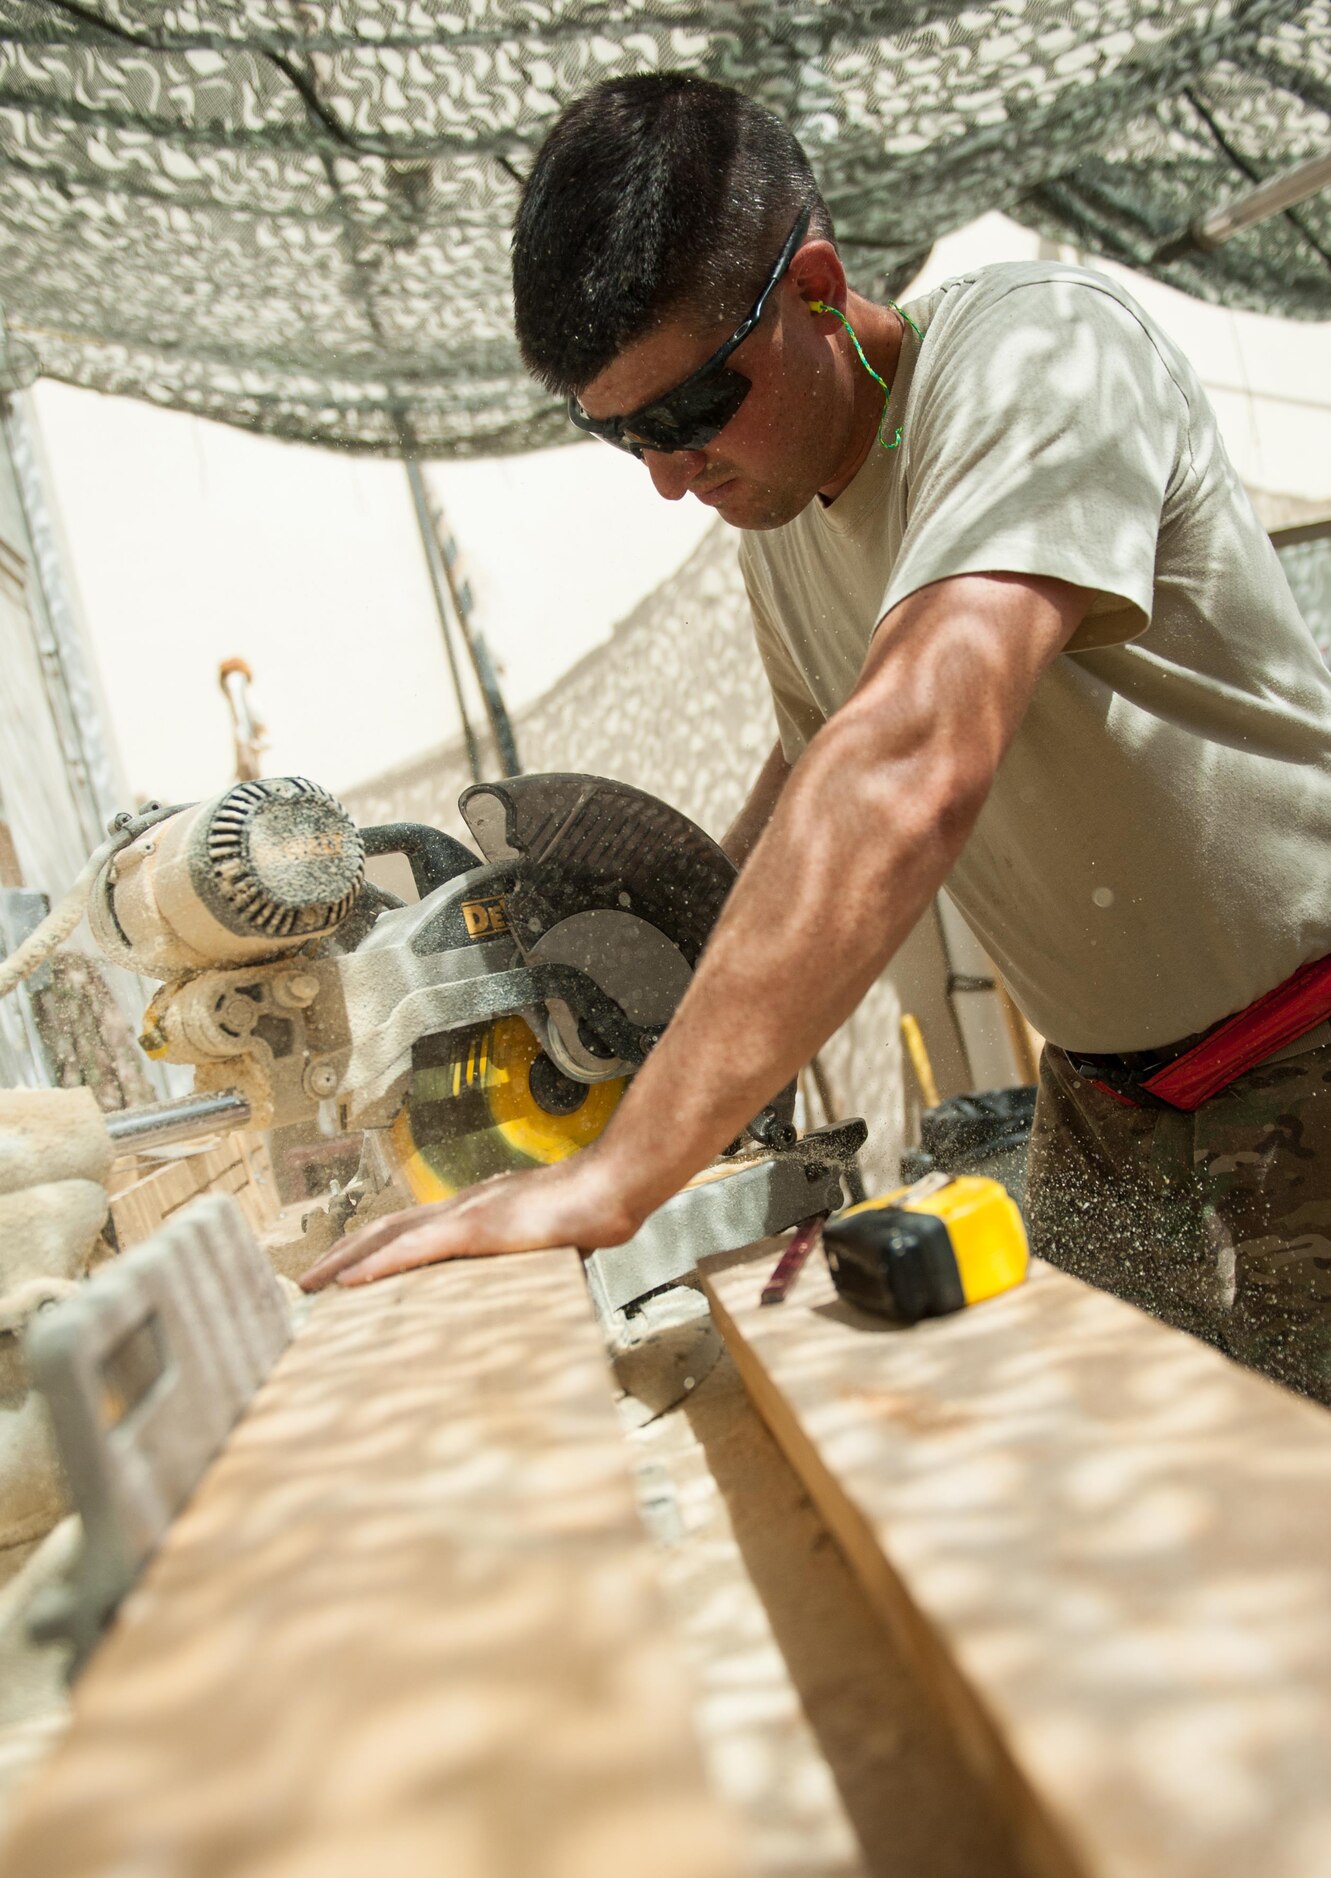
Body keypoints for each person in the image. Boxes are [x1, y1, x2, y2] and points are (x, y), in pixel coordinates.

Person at [304, 75, 1331, 1401]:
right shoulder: (780, 523)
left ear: (819, 292)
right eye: (622, 438)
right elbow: (812, 792)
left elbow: (906, 764)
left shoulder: (1038, 357)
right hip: (1106, 1109)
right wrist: (642, 974)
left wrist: (625, 1172)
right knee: (1126, 1496)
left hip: (1306, 1052)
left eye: (687, 414)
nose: (672, 475)